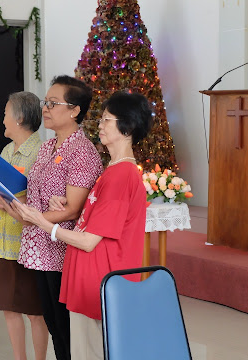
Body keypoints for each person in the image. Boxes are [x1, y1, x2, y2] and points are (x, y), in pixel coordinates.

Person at [12, 91, 153, 360]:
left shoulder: (122, 175)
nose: (99, 125)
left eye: (107, 120)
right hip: (90, 283)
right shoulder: (112, 170)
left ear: (127, 127)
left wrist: (43, 222)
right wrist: (61, 202)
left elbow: (89, 240)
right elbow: (92, 218)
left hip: (100, 283)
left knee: (90, 352)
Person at [0, 75, 103, 360]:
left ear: (74, 110)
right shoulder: (47, 147)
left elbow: (72, 209)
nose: (45, 108)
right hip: (38, 249)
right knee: (54, 324)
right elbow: (37, 197)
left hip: (62, 253)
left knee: (65, 326)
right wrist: (11, 205)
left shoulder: (82, 151)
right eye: (45, 102)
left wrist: (32, 217)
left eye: (53, 103)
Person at [0, 92, 48, 360]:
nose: (2, 118)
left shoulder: (40, 152)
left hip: (28, 246)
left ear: (19, 117)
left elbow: (35, 203)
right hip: (2, 241)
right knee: (8, 307)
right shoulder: (5, 151)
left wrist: (3, 200)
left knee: (35, 311)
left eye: (5, 113)